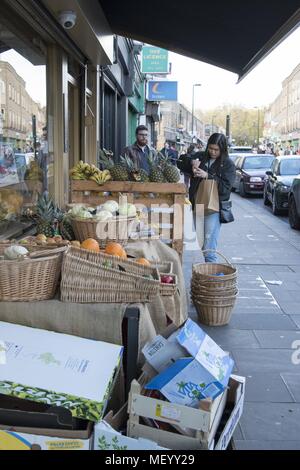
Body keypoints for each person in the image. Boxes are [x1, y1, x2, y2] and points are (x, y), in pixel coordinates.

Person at [180, 133, 236, 263]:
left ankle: (212, 277)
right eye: (210, 148)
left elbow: (225, 188)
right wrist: (191, 162)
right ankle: (211, 271)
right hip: (197, 205)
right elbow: (180, 162)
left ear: (223, 149)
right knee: (202, 244)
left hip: (214, 208)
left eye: (216, 149)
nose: (213, 152)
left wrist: (207, 176)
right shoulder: (201, 157)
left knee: (209, 248)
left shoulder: (227, 164)